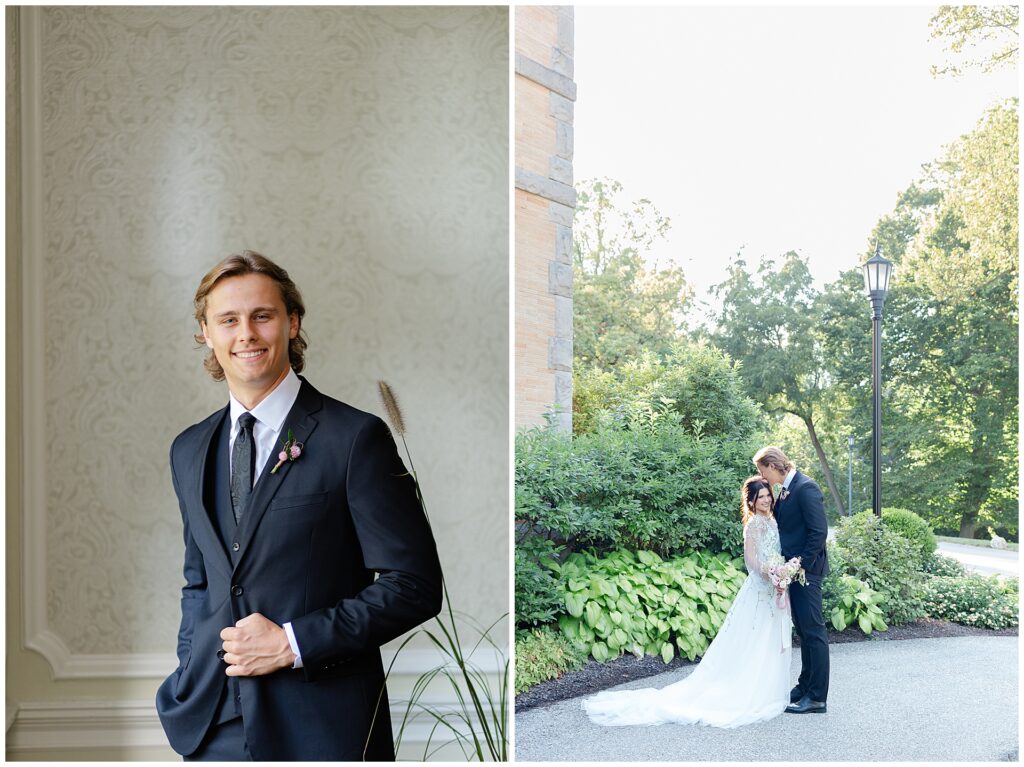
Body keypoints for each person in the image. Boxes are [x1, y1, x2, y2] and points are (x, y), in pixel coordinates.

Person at [155, 251, 443, 760]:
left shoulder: (354, 438)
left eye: (261, 316)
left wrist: (292, 643)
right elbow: (199, 583)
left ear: (292, 323)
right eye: (228, 320)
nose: (246, 333)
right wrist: (189, 670)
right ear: (206, 332)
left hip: (324, 728)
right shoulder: (188, 449)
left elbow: (414, 586)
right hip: (210, 725)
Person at [582, 476, 791, 728]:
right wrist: (770, 573)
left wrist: (782, 573)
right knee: (753, 640)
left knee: (768, 640)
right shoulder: (754, 525)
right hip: (760, 590)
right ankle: (749, 692)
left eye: (768, 495)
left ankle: (768, 689)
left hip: (775, 589)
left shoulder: (771, 520)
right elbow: (751, 562)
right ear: (751, 501)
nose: (766, 500)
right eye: (761, 497)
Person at [753, 445, 829, 714]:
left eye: (762, 470)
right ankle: (805, 685)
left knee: (814, 632)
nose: (761, 475)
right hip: (793, 572)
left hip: (806, 572)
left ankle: (818, 697)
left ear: (773, 466)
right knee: (804, 632)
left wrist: (799, 565)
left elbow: (819, 533)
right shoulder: (785, 490)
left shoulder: (806, 487)